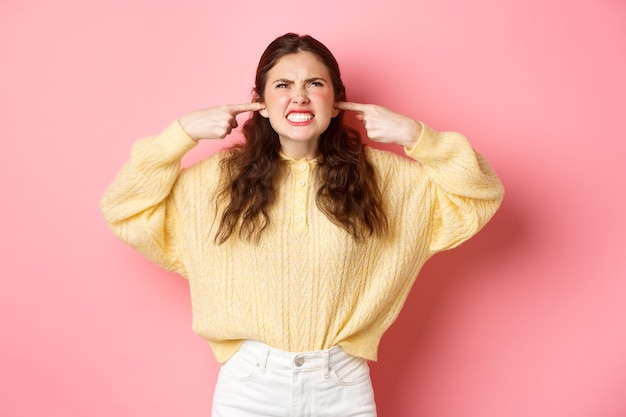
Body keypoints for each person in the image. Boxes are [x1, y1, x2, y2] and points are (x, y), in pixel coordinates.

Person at [100, 33, 504, 417]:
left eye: (314, 83)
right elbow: (125, 206)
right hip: (248, 386)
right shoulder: (214, 182)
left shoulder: (386, 180)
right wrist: (181, 134)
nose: (299, 95)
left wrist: (418, 137)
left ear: (336, 101)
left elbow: (479, 193)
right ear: (260, 102)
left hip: (342, 385)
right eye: (282, 85)